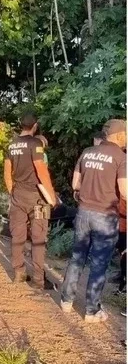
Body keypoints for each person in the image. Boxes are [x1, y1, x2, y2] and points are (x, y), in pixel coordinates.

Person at [59, 119, 127, 322]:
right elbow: (124, 190)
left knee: (77, 258)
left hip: (83, 213)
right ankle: (91, 310)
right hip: (105, 217)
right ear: (120, 135)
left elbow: (75, 184)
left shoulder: (87, 152)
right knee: (99, 263)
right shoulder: (121, 157)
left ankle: (66, 301)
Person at [3, 113, 57, 289]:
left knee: (17, 235)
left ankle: (19, 273)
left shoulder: (11, 144)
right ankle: (39, 280)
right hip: (38, 198)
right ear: (35, 126)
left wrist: (13, 192)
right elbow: (41, 170)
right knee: (38, 237)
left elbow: (7, 173)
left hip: (18, 195)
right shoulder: (36, 143)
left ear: (21, 125)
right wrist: (51, 195)